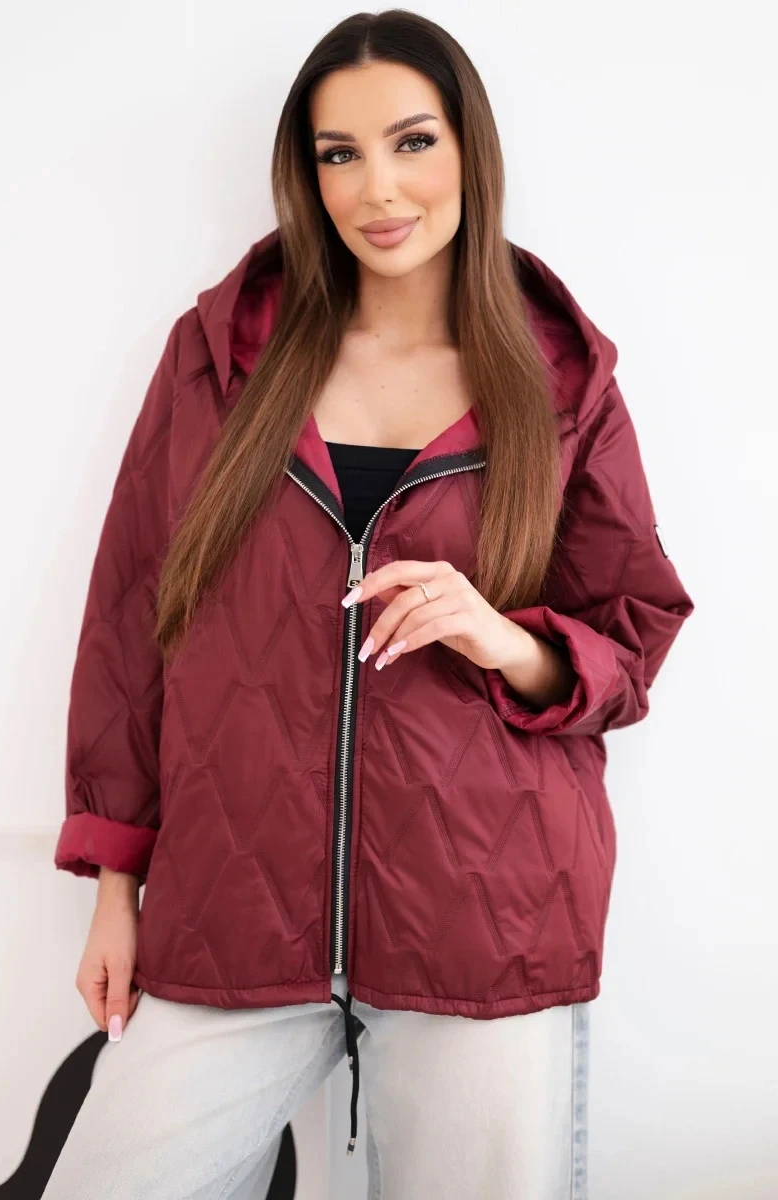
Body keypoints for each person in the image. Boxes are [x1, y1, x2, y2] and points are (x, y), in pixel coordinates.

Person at [43, 9, 694, 1200]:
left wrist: (499, 635)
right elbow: (132, 623)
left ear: (468, 150)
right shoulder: (218, 361)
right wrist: (116, 893)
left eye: (411, 141)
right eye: (337, 154)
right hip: (230, 913)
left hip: (485, 921)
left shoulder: (559, 382)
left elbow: (629, 640)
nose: (377, 188)